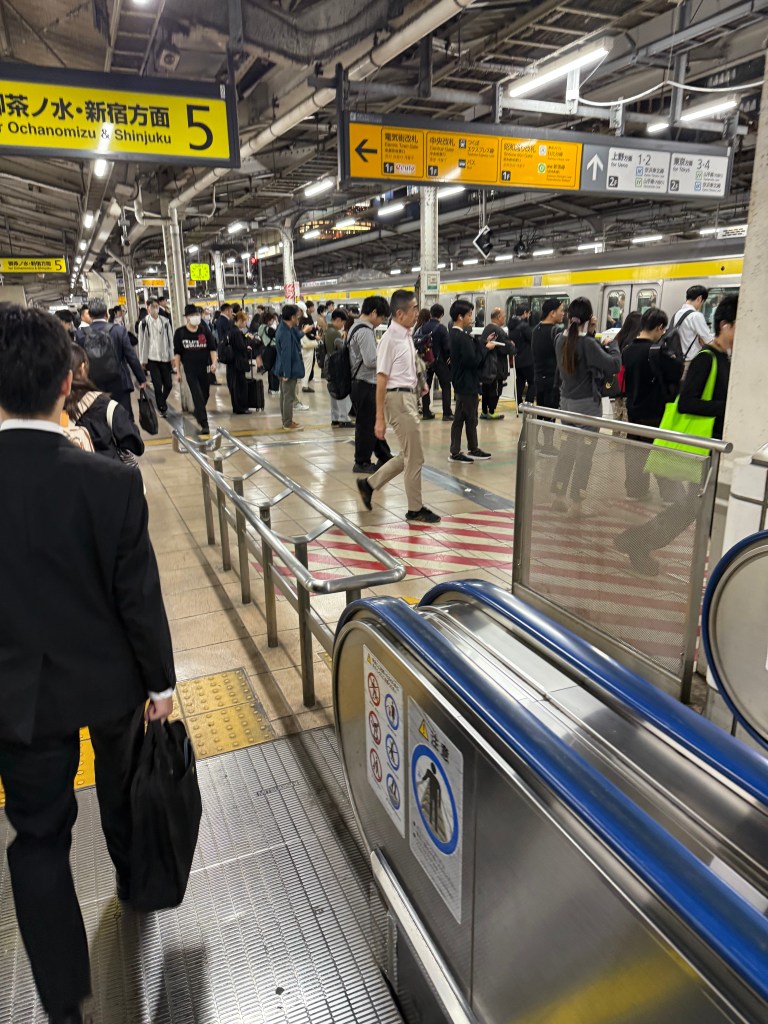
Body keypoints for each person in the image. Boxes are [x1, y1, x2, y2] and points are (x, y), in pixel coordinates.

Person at [0, 305, 175, 1024]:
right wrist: (160, 681)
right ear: (68, 383)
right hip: (109, 683)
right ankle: (136, 887)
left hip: (19, 697)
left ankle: (67, 1002)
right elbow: (137, 594)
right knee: (121, 783)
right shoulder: (110, 481)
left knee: (38, 837)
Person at [615, 296, 737, 576]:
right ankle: (639, 543)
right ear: (725, 325)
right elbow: (687, 403)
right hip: (702, 451)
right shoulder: (707, 360)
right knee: (690, 510)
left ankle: (639, 543)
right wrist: (727, 409)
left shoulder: (726, 360)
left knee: (690, 510)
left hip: (712, 453)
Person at [356, 290, 440, 524]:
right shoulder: (390, 340)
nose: (417, 313)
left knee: (407, 455)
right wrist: (379, 418)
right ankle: (415, 509)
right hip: (398, 401)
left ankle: (369, 484)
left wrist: (419, 384)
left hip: (409, 398)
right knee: (415, 458)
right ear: (400, 313)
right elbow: (381, 379)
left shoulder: (406, 335)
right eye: (414, 309)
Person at [550, 296, 620, 514]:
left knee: (567, 449)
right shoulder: (588, 344)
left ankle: (558, 496)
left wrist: (590, 333)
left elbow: (577, 353)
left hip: (566, 403)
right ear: (590, 318)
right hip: (587, 406)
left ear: (570, 317)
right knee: (585, 454)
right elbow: (613, 365)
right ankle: (577, 502)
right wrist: (614, 345)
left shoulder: (560, 340)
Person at [621, 307, 682, 501]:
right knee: (660, 455)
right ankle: (670, 495)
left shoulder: (628, 350)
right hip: (654, 412)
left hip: (633, 410)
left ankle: (635, 491)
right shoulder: (655, 352)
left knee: (634, 455)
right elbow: (676, 372)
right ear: (659, 327)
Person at [66, 344, 145, 462]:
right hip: (107, 475)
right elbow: (136, 445)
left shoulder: (49, 408)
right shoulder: (107, 407)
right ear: (82, 368)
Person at [82, 298, 147, 423]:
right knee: (124, 419)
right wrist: (141, 378)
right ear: (106, 314)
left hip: (94, 385)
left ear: (89, 315)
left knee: (100, 419)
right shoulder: (118, 330)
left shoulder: (81, 335)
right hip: (120, 382)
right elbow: (131, 356)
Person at [349, 295, 393, 473]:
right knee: (366, 426)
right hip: (366, 383)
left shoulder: (354, 327)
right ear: (374, 312)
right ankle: (362, 462)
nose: (381, 321)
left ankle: (384, 455)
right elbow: (370, 360)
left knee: (371, 422)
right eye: (381, 317)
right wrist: (388, 357)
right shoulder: (365, 331)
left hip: (360, 383)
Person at [448, 299, 494, 464]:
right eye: (469, 314)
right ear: (460, 316)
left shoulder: (453, 334)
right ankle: (471, 449)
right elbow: (473, 361)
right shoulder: (462, 337)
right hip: (467, 383)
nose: (471, 317)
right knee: (470, 418)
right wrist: (486, 349)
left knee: (460, 418)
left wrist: (481, 343)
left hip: (460, 382)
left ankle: (458, 450)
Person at [173, 304, 218, 435]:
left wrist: (214, 363)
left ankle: (198, 412)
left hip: (205, 368)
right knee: (197, 395)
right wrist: (178, 372)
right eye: (193, 315)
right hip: (190, 369)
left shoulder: (204, 331)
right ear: (187, 318)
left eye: (197, 315)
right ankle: (204, 423)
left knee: (205, 394)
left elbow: (212, 348)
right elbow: (177, 353)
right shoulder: (180, 333)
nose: (196, 317)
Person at [138, 298, 174, 417]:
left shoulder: (165, 321)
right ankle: (162, 407)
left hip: (164, 357)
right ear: (148, 308)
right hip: (152, 358)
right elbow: (141, 342)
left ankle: (161, 401)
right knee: (157, 385)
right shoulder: (143, 323)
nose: (155, 308)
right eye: (153, 306)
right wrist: (142, 360)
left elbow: (170, 339)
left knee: (168, 384)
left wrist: (172, 356)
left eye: (157, 306)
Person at [417, 303, 452, 422]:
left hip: (426, 360)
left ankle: (426, 412)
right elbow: (447, 347)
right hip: (440, 361)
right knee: (446, 386)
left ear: (431, 314)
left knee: (426, 385)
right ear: (441, 315)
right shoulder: (442, 328)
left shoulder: (423, 326)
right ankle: (446, 413)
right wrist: (448, 358)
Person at [274, 303, 304, 431]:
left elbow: (296, 337)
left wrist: (304, 331)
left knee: (285, 396)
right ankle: (287, 422)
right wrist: (287, 373)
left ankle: (286, 420)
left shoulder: (286, 328)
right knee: (289, 396)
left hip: (285, 368)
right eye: (297, 316)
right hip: (287, 369)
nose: (298, 318)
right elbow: (286, 354)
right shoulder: (284, 332)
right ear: (292, 317)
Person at [670, 285, 714, 365]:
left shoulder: (676, 314)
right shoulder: (696, 315)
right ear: (699, 298)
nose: (701, 305)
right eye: (702, 302)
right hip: (690, 362)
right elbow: (708, 341)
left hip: (677, 361)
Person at [325, 309, 354, 427]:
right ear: (337, 320)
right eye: (342, 322)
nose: (343, 325)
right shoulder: (335, 333)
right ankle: (344, 418)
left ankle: (335, 417)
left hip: (330, 366)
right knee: (342, 393)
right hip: (337, 366)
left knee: (334, 393)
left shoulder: (327, 331)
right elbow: (342, 349)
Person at [479, 307, 509, 421]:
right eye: (503, 316)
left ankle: (484, 411)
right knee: (496, 389)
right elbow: (507, 347)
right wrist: (512, 346)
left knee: (486, 389)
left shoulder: (486, 329)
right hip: (496, 366)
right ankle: (492, 411)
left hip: (487, 366)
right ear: (498, 317)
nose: (504, 318)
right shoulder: (499, 331)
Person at [227, 310, 253, 414]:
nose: (245, 324)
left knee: (235, 385)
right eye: (245, 321)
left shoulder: (231, 331)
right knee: (240, 385)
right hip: (238, 363)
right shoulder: (237, 332)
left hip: (232, 363)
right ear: (241, 320)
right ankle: (241, 408)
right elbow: (241, 347)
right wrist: (248, 342)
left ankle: (237, 407)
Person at [509, 305, 533, 408]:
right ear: (524, 313)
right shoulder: (524, 326)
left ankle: (518, 402)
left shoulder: (511, 325)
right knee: (533, 381)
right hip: (527, 359)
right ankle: (528, 403)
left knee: (520, 382)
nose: (529, 315)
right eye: (528, 313)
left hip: (517, 359)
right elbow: (532, 340)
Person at [259, 310, 280, 395]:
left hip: (266, 349)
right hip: (272, 349)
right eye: (272, 320)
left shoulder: (261, 327)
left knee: (270, 370)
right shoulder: (269, 329)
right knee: (274, 369)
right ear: (268, 320)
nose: (273, 321)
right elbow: (277, 335)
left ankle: (271, 388)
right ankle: (274, 388)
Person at [299, 316, 320, 395]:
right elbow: (309, 337)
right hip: (307, 351)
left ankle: (304, 384)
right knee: (307, 368)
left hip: (304, 351)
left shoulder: (300, 331)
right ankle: (305, 386)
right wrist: (315, 338)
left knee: (305, 367)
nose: (311, 327)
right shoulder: (305, 332)